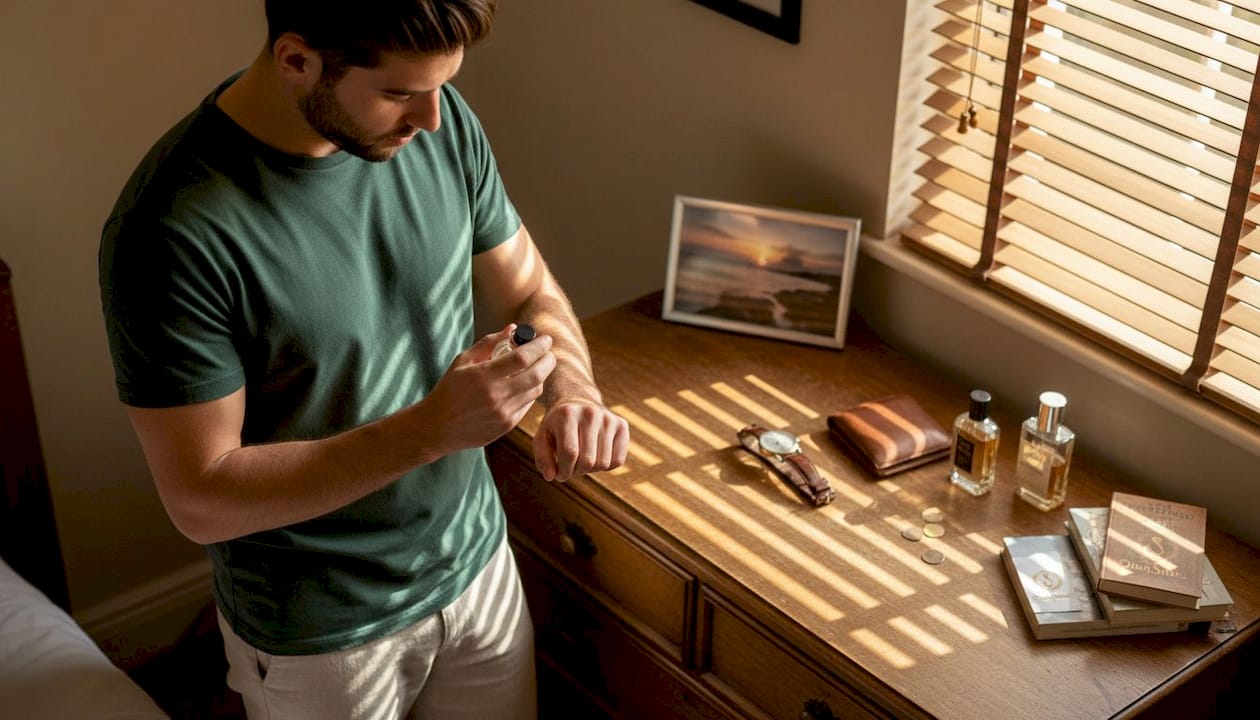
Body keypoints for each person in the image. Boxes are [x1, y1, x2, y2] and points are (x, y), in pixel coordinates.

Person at [97, 2, 629, 718]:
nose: (432, 119)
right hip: (321, 638)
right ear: (296, 60)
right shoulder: (169, 233)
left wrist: (573, 390)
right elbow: (202, 498)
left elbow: (529, 290)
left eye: (442, 86)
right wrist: (432, 429)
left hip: (478, 570)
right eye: (400, 93)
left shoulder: (440, 122)